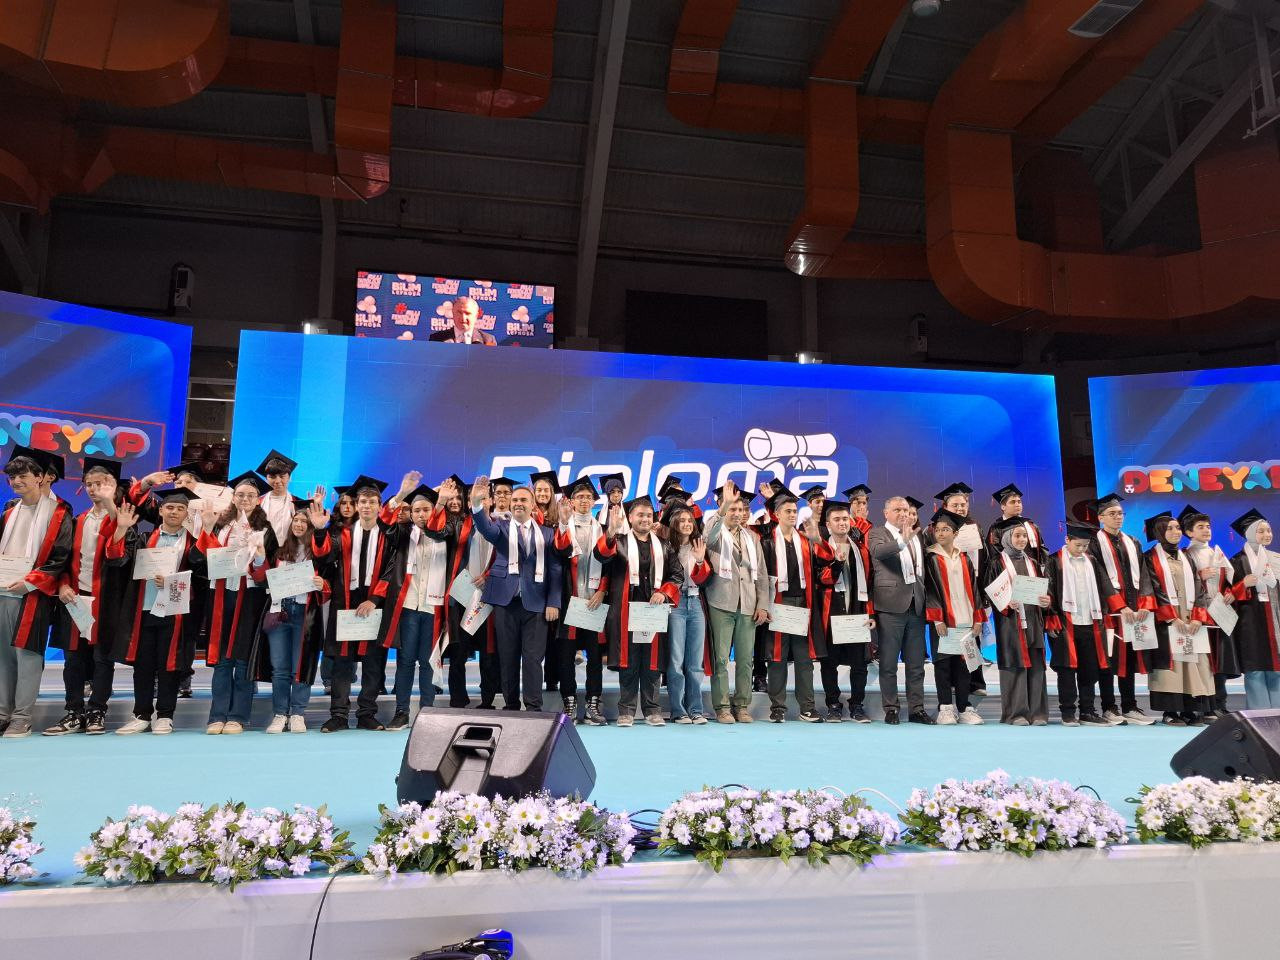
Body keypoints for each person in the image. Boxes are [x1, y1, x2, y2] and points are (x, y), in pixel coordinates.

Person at [45, 456, 136, 736]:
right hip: (76, 599)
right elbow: (61, 559)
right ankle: (74, 712)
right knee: (73, 659)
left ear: (113, 485)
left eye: (102, 483)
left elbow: (118, 559)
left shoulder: (123, 520)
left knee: (102, 659)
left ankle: (97, 711)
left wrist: (117, 519)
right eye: (90, 484)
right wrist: (62, 585)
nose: (95, 489)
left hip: (106, 601)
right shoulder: (77, 520)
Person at [109, 487, 204, 735]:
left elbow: (202, 576)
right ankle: (141, 714)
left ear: (186, 514)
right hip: (145, 609)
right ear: (160, 510)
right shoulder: (143, 539)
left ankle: (165, 715)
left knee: (169, 665)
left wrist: (173, 582)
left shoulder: (193, 543)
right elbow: (118, 560)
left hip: (176, 612)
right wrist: (121, 529)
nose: (174, 512)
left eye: (180, 508)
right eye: (169, 507)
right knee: (143, 665)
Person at [469, 476, 566, 712]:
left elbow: (555, 570)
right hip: (506, 602)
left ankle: (533, 707)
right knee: (507, 656)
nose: (518, 503)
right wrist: (477, 504)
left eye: (523, 500)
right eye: (515, 500)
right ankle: (511, 705)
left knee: (533, 659)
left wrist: (553, 602)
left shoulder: (547, 533)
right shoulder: (500, 528)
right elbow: (484, 527)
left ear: (533, 505)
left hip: (537, 604)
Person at [196, 472, 279, 734]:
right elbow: (200, 559)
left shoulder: (265, 530)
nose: (245, 499)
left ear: (258, 499)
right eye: (240, 494)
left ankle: (238, 717)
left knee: (243, 658)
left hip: (250, 597)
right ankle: (217, 716)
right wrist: (207, 528)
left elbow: (268, 573)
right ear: (233, 498)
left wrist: (259, 557)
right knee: (222, 659)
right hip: (221, 595)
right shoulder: (220, 524)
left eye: (250, 495)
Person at [375, 478, 461, 731]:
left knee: (427, 661)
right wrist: (402, 492)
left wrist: (441, 502)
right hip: (409, 606)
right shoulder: (403, 533)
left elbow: (438, 528)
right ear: (410, 514)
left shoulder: (447, 532)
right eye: (417, 510)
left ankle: (427, 712)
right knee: (405, 661)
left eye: (426, 509)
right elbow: (385, 520)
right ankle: (401, 712)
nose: (422, 514)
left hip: (434, 608)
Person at [0, 447, 73, 738]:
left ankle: (22, 717)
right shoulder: (8, 512)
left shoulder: (58, 514)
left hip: (32, 594)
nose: (16, 481)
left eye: (23, 476)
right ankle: (2, 713)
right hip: (3, 591)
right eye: (12, 477)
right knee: (2, 655)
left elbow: (60, 556)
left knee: (27, 656)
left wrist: (30, 582)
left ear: (40, 477)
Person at [316, 474, 396, 732]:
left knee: (373, 662)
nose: (367, 506)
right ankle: (339, 714)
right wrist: (319, 530)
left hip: (374, 604)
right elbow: (324, 556)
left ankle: (366, 714)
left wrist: (374, 599)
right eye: (362, 501)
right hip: (346, 602)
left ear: (380, 506)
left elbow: (391, 571)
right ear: (357, 505)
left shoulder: (388, 535)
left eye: (372, 502)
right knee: (342, 662)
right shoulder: (343, 534)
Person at [594, 495, 682, 726]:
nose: (645, 519)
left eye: (649, 515)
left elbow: (677, 575)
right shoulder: (619, 542)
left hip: (653, 608)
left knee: (652, 662)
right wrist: (611, 532)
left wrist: (664, 592)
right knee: (629, 660)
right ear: (630, 517)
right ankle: (626, 710)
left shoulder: (663, 545)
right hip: (626, 609)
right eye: (640, 515)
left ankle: (652, 710)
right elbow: (601, 555)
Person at [702, 481, 770, 724]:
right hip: (721, 602)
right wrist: (724, 506)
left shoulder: (753, 537)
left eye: (741, 509)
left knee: (745, 660)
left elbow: (762, 574)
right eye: (733, 509)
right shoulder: (715, 531)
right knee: (721, 659)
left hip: (748, 604)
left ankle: (741, 705)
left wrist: (763, 604)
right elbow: (707, 537)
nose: (737, 513)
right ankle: (722, 707)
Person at [757, 488, 827, 723]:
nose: (792, 515)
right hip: (778, 602)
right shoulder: (767, 541)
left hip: (803, 603)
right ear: (776, 514)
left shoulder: (806, 540)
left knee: (804, 659)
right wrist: (764, 605)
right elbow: (761, 577)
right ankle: (778, 707)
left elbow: (827, 560)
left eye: (794, 511)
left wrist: (818, 539)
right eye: (787, 511)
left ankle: (807, 707)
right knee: (777, 658)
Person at [1088, 493, 1158, 725]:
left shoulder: (1133, 541)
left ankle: (1130, 706)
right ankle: (1109, 707)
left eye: (1120, 513)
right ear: (1100, 517)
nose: (1118, 517)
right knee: (1109, 660)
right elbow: (1099, 576)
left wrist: (1144, 603)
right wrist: (1119, 605)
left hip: (1134, 611)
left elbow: (1144, 574)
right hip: (1109, 612)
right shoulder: (1093, 543)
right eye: (1112, 514)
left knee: (1129, 658)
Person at [261, 502, 330, 734]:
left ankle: (298, 713)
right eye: (296, 520)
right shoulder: (280, 551)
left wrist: (322, 584)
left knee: (300, 666)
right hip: (280, 612)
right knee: (280, 667)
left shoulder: (318, 555)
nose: (299, 524)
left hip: (305, 613)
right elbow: (263, 578)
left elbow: (329, 583)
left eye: (304, 522)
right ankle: (280, 714)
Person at [1142, 513, 1213, 726]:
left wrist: (1198, 617)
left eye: (1178, 528)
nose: (1176, 532)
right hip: (1167, 621)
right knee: (1172, 665)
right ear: (1159, 532)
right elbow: (1152, 588)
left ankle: (1191, 709)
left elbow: (1199, 587)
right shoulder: (1149, 557)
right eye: (1170, 528)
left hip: (1190, 618)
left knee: (1193, 663)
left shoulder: (1186, 556)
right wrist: (1171, 618)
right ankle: (1171, 711)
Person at [867, 495, 933, 724]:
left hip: (916, 606)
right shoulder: (877, 533)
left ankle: (917, 709)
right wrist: (902, 541)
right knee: (888, 663)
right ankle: (891, 708)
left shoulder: (917, 536)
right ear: (886, 513)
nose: (903, 514)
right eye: (897, 510)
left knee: (916, 664)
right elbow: (879, 553)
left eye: (905, 510)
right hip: (890, 606)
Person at [1044, 522, 1116, 727]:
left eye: (1085, 545)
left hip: (1090, 622)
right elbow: (1048, 591)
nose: (1082, 549)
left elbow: (1104, 588)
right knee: (1066, 669)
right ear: (1067, 540)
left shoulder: (1092, 561)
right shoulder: (1053, 561)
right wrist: (1051, 618)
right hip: (1065, 623)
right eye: (1078, 545)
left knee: (1090, 669)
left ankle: (1087, 711)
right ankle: (1068, 712)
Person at [552, 477, 609, 724]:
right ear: (572, 501)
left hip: (595, 601)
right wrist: (563, 522)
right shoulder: (564, 526)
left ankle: (593, 704)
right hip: (570, 601)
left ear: (594, 502)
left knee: (595, 657)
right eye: (579, 497)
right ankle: (570, 702)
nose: (584, 501)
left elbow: (610, 564)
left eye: (588, 497)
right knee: (566, 656)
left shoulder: (603, 529)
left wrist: (602, 590)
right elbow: (560, 553)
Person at [812, 499, 875, 723]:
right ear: (828, 524)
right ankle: (833, 704)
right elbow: (823, 579)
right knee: (829, 664)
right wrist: (837, 563)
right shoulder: (821, 549)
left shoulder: (861, 550)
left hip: (856, 613)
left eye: (845, 519)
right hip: (830, 614)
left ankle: (857, 704)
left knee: (860, 664)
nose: (842, 523)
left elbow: (869, 583)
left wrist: (871, 613)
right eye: (836, 519)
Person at [1179, 504, 1244, 716]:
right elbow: (1177, 583)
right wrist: (1199, 576)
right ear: (1189, 532)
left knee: (1221, 661)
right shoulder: (1185, 554)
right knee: (1202, 661)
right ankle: (1202, 706)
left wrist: (1231, 592)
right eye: (1200, 527)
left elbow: (1230, 581)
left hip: (1219, 613)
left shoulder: (1217, 552)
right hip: (1198, 615)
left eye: (1208, 526)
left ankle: (1220, 703)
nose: (1206, 530)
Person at [922, 508, 985, 725]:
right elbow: (930, 590)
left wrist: (978, 618)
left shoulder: (964, 558)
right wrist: (937, 618)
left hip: (965, 620)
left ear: (955, 533)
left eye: (945, 529)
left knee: (964, 666)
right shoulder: (931, 557)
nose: (940, 533)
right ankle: (945, 708)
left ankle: (964, 708)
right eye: (938, 529)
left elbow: (975, 589)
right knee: (943, 666)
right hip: (944, 622)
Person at [986, 518, 1051, 725]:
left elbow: (1044, 591)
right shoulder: (996, 563)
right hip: (1010, 622)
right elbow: (990, 594)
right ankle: (1016, 714)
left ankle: (1038, 713)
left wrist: (1046, 601)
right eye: (1017, 536)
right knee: (1015, 664)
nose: (1022, 539)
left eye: (1024, 536)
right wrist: (1005, 603)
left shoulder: (1034, 563)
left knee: (1036, 666)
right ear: (1007, 538)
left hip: (1033, 620)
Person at [933, 482, 989, 702]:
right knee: (950, 642)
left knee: (973, 638)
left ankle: (976, 682)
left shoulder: (975, 528)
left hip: (972, 588)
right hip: (948, 591)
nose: (960, 508)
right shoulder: (938, 529)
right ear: (945, 506)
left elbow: (984, 559)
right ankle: (953, 685)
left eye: (963, 505)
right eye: (955, 505)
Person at [663, 501, 711, 723]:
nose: (686, 524)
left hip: (696, 603)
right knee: (676, 660)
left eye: (689, 520)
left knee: (695, 662)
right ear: (674, 523)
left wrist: (700, 560)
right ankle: (678, 710)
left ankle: (696, 709)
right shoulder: (667, 547)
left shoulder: (699, 545)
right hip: (676, 603)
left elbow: (704, 579)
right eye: (681, 520)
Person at [1228, 509, 1279, 709]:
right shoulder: (1236, 561)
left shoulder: (1275, 559)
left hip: (1275, 617)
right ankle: (1259, 715)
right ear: (1249, 534)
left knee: (1277, 667)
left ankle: (1277, 714)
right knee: (1255, 666)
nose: (1267, 535)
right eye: (1261, 531)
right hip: (1250, 619)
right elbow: (1226, 595)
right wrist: (1244, 584)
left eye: (1269, 530)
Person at [985, 484, 1047, 566]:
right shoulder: (997, 528)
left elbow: (1041, 550)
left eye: (1019, 501)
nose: (1017, 504)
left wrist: (1042, 567)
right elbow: (994, 555)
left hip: (1032, 570)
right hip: (1008, 571)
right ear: (1003, 507)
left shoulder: (1031, 526)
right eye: (1013, 502)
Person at [256, 449, 302, 545]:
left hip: (289, 551)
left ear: (289, 477)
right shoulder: (256, 503)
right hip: (261, 550)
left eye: (282, 476)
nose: (277, 481)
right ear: (266, 478)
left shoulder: (299, 505)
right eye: (272, 477)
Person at [429, 296, 497, 345]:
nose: (463, 318)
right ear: (453, 313)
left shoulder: (488, 339)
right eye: (459, 312)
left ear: (476, 316)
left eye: (467, 313)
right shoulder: (436, 339)